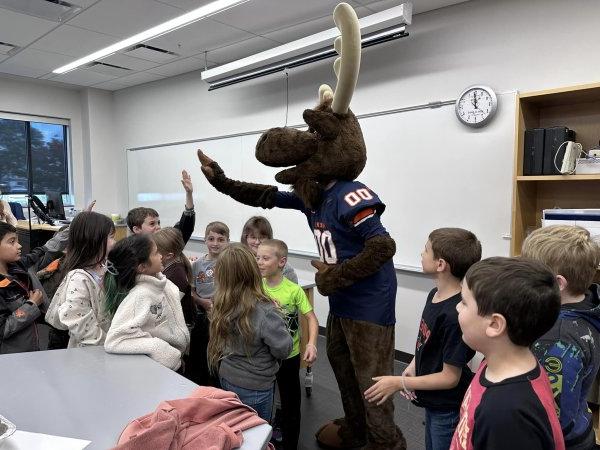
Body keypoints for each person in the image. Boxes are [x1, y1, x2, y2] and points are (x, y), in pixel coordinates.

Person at [365, 228, 480, 450]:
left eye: (426, 249)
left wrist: (400, 382)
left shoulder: (455, 315)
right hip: (433, 401)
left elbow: (450, 378)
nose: (421, 253)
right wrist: (414, 364)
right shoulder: (434, 295)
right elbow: (427, 341)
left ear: (441, 264)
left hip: (447, 406)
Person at [449, 257, 565, 450]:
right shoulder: (494, 363)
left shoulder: (507, 414)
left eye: (464, 302)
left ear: (495, 324)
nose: (457, 307)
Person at [522, 225, 600, 450]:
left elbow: (551, 418)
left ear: (557, 283)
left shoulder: (556, 341)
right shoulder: (587, 305)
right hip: (580, 420)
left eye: (529, 272)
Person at [207, 244, 292, 421]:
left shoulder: (220, 303)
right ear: (253, 271)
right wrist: (279, 317)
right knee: (257, 433)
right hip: (256, 386)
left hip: (227, 376)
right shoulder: (265, 311)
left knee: (235, 426)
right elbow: (284, 350)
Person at [257, 239, 318, 450]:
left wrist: (311, 344)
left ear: (281, 261)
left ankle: (291, 443)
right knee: (262, 400)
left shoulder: (294, 290)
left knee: (291, 405)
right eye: (258, 257)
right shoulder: (255, 287)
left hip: (289, 357)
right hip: (263, 357)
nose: (260, 262)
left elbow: (311, 318)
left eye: (265, 258)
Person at [104, 234, 190, 370]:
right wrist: (161, 349)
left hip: (175, 361)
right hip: (161, 367)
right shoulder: (140, 295)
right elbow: (115, 340)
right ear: (142, 267)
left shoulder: (162, 283)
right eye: (155, 253)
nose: (161, 255)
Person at [45, 211, 115, 348]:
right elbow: (76, 318)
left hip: (105, 346)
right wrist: (106, 343)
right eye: (111, 237)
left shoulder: (105, 268)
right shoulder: (78, 278)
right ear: (95, 240)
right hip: (91, 350)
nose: (115, 242)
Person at [0, 221, 54, 353]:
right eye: (12, 242)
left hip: (30, 347)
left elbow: (41, 252)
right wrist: (32, 304)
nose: (19, 246)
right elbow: (3, 329)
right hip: (11, 357)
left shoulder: (15, 267)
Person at [188, 221, 230, 386]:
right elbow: (191, 290)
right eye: (211, 239)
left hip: (223, 316)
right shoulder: (197, 265)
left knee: (219, 355)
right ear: (205, 240)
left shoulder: (228, 264)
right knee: (201, 353)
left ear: (228, 241)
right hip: (202, 317)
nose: (215, 243)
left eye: (220, 239)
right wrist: (201, 302)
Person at [126, 170, 195, 244]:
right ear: (137, 229)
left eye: (158, 223)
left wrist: (189, 193)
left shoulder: (164, 245)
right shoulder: (131, 253)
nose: (158, 227)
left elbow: (185, 228)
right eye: (152, 224)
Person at [241, 216, 298, 284]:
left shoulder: (284, 268)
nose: (257, 242)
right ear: (245, 238)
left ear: (269, 238)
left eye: (262, 237)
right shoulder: (239, 261)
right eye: (253, 237)